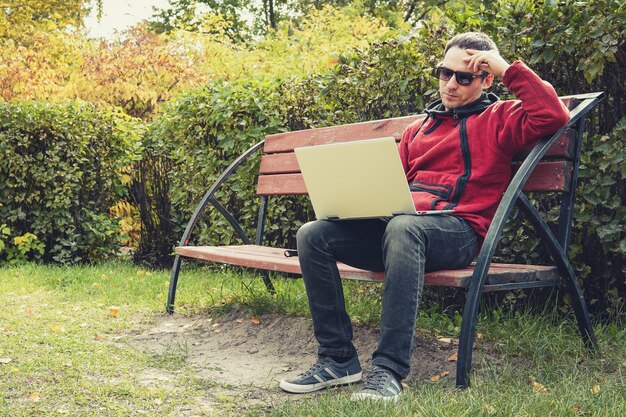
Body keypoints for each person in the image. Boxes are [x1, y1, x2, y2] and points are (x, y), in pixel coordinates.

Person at [279, 31, 570, 402]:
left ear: (486, 79)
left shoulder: (500, 118)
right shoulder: (419, 130)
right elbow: (391, 190)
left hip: (459, 232)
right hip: (404, 229)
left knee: (404, 227)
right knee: (313, 234)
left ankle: (387, 371)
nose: (451, 83)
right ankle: (338, 360)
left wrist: (505, 65)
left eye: (464, 77)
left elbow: (553, 114)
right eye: (445, 73)